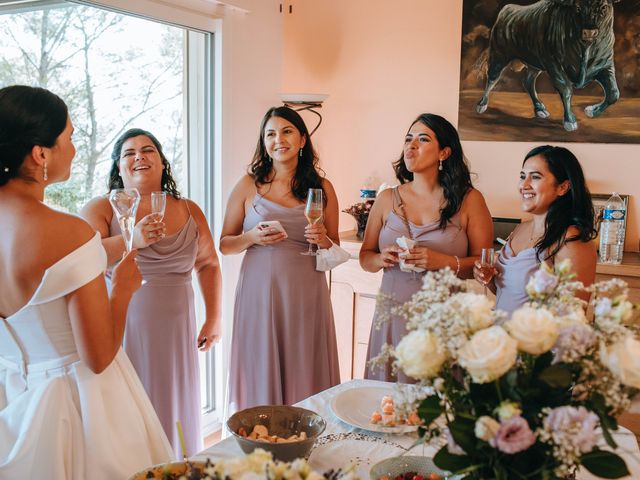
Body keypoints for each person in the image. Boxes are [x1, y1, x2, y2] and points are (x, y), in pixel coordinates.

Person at [0, 85, 173, 478]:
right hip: (83, 408)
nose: (75, 149)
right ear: (40, 153)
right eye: (70, 137)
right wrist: (123, 291)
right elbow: (97, 357)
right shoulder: (70, 232)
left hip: (15, 401)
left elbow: (41, 281)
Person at [80, 128, 221, 458]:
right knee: (132, 404)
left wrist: (213, 318)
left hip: (178, 329)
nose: (139, 156)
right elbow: (82, 258)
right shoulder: (101, 208)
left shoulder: (189, 209)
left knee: (176, 402)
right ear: (119, 167)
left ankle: (178, 464)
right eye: (129, 153)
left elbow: (209, 264)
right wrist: (132, 241)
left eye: (147, 150)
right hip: (125, 325)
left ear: (162, 162)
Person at [220, 106, 340, 411]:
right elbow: (225, 243)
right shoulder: (249, 185)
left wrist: (322, 239)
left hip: (306, 292)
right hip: (259, 292)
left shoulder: (322, 188)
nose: (278, 140)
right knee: (261, 362)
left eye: (286, 131)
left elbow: (334, 248)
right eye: (270, 133)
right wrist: (251, 238)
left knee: (304, 362)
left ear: (302, 140)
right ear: (264, 141)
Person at [360, 113, 493, 382]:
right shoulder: (387, 198)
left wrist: (440, 261)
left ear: (444, 152)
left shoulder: (470, 200)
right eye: (408, 139)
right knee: (387, 404)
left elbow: (484, 265)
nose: (411, 146)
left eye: (422, 139)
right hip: (392, 315)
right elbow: (365, 257)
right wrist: (380, 259)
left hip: (443, 318)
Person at [473, 145, 596, 316]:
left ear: (562, 187)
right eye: (522, 176)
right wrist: (488, 278)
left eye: (535, 177)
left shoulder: (572, 240)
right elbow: (511, 295)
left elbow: (572, 316)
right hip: (502, 336)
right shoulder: (520, 229)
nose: (524, 185)